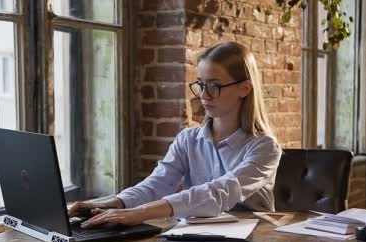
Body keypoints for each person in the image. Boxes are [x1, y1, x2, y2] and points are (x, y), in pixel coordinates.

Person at [69, 41, 282, 228]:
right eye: (200, 84)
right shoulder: (187, 140)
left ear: (244, 89)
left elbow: (219, 193)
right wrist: (115, 203)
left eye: (214, 86)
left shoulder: (264, 147)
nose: (204, 95)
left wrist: (140, 213)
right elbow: (158, 183)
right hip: (195, 236)